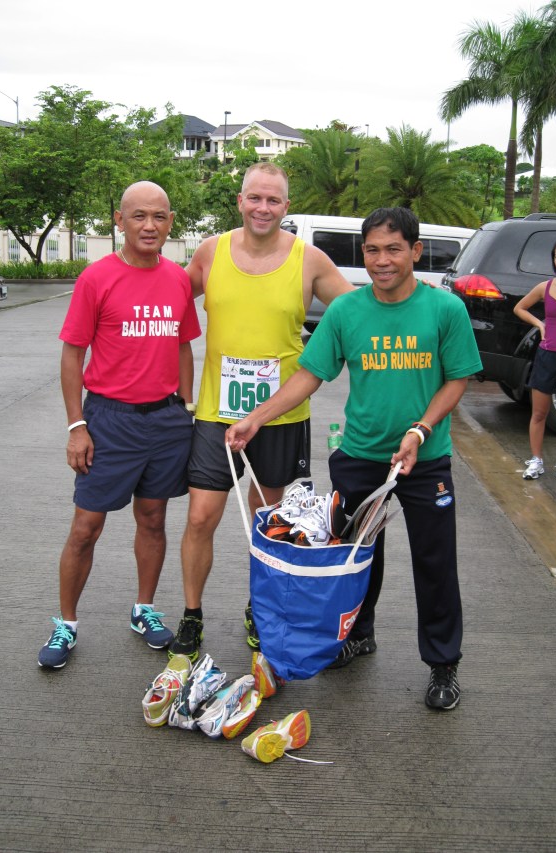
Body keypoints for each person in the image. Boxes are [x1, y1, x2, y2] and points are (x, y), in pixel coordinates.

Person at [226, 206, 483, 711]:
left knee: (436, 563)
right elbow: (309, 374)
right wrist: (256, 417)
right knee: (356, 556)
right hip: (360, 457)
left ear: (415, 251)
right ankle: (358, 634)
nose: (382, 260)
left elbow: (457, 379)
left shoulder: (443, 310)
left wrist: (421, 428)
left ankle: (442, 664)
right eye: (371, 250)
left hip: (425, 459)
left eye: (393, 249)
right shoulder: (347, 311)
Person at [168, 162, 353, 662]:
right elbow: (166, 300)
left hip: (281, 416)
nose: (263, 208)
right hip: (216, 412)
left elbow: (357, 312)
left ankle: (260, 609)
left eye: (273, 200)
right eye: (255, 198)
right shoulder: (212, 251)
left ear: (286, 208)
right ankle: (192, 614)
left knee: (267, 522)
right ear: (240, 201)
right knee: (201, 516)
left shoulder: (309, 260)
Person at [38, 181, 202, 669]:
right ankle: (66, 624)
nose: (149, 225)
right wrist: (76, 425)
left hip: (166, 421)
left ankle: (144, 609)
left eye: (159, 216)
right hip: (109, 420)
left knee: (153, 519)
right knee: (86, 526)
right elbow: (73, 353)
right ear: (119, 219)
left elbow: (182, 344)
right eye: (138, 216)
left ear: (171, 222)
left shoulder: (176, 279)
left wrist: (186, 407)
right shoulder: (97, 278)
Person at [513, 235, 556, 483]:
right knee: (539, 413)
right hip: (547, 355)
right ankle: (536, 460)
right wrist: (539, 323)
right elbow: (519, 307)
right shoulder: (546, 287)